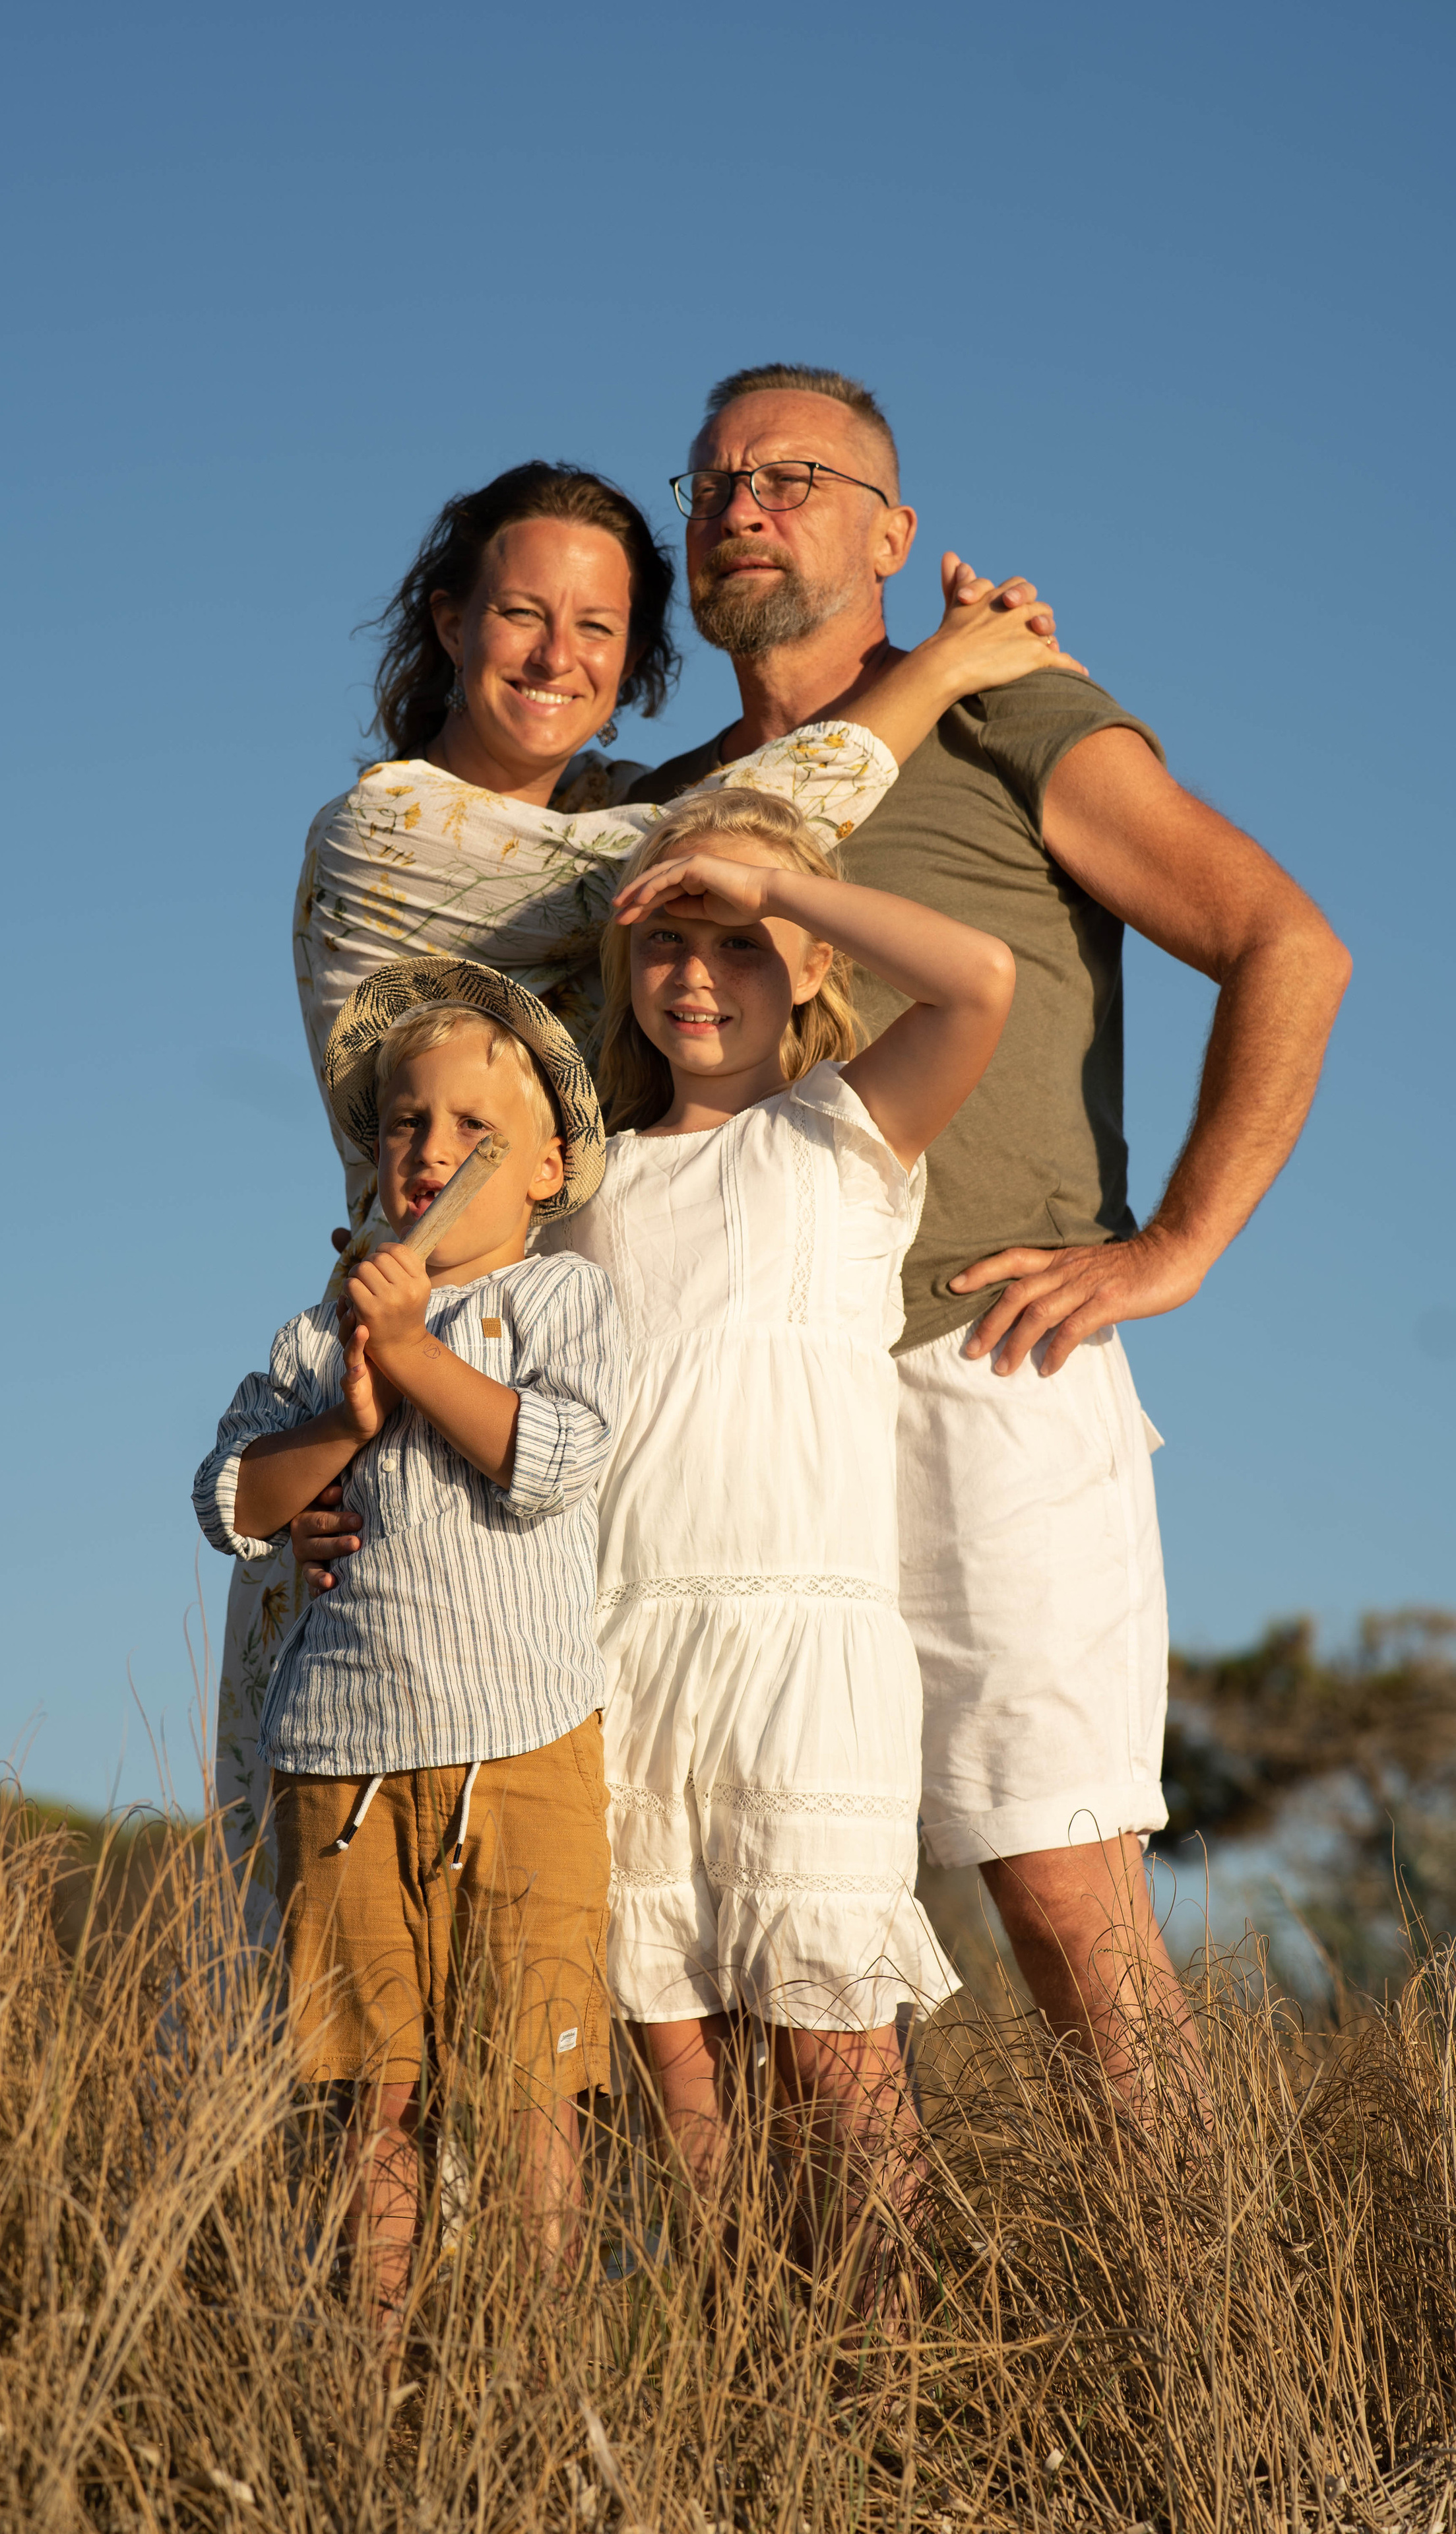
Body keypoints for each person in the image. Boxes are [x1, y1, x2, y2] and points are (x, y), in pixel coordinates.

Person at [614, 362, 1352, 2108]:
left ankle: (1206, 2361)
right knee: (772, 1933)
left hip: (983, 1350)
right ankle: (829, 2372)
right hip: (743, 1411)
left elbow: (1287, 945)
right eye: (713, 479)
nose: (743, 504)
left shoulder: (1000, 710)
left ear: (894, 531)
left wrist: (1172, 1244)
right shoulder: (670, 807)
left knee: (1059, 1887)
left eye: (795, 475)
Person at [217, 457, 1054, 1935]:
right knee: (355, 2004)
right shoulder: (384, 832)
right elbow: (682, 846)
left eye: (599, 631)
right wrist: (940, 667)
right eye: (522, 614)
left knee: (570, 1967)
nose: (557, 656)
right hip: (388, 1422)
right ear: (446, 620)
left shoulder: (632, 801)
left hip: (551, 1433)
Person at [544, 775, 1020, 2235]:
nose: (698, 974)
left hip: (800, 1648)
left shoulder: (842, 1134)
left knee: (832, 2050)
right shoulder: (585, 1184)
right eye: (670, 941)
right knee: (671, 2051)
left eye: (736, 941)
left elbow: (975, 981)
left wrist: (771, 885)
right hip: (620, 1646)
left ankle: (881, 2407)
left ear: (807, 959)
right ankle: (744, 2392)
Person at [192, 965, 625, 2324]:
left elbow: (550, 1459)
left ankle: (527, 2389)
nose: (428, 1149)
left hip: (523, 1746)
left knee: (524, 2099)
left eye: (472, 1131)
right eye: (401, 1122)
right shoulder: (310, 1341)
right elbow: (229, 1503)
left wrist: (416, 1352)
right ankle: (369, 2386)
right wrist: (351, 1406)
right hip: (340, 1764)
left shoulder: (561, 1306)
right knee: (366, 2098)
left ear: (547, 1166)